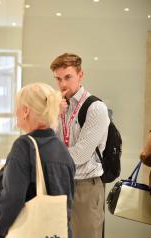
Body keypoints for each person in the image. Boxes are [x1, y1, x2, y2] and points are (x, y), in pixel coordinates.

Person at [0, 82, 75, 238]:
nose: (15, 112)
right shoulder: (62, 148)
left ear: (25, 111)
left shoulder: (24, 146)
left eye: (17, 107)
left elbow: (12, 198)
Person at [50, 53, 110, 238]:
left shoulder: (95, 108)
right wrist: (53, 114)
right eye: (58, 79)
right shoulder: (59, 105)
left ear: (80, 75)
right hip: (60, 184)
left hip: (86, 186)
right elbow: (47, 139)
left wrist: (50, 156)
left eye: (68, 77)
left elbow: (80, 155)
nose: (62, 85)